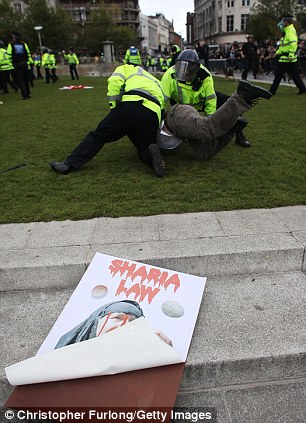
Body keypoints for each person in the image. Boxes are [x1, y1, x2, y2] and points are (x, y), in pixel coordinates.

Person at [49, 63, 166, 177]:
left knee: (98, 136)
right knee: (144, 147)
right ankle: (152, 156)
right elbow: (162, 106)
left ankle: (68, 164)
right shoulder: (156, 81)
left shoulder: (126, 68)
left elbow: (114, 82)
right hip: (152, 114)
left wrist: (114, 109)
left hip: (131, 106)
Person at [157, 80, 272, 162]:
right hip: (181, 129)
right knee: (203, 154)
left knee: (207, 128)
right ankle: (230, 129)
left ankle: (242, 96)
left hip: (174, 119)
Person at [161, 49, 251, 148]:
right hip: (179, 105)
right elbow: (161, 98)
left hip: (200, 103)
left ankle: (238, 133)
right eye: (181, 67)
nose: (184, 72)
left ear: (195, 68)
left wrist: (210, 125)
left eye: (188, 68)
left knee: (229, 104)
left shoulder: (205, 76)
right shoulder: (170, 74)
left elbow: (210, 101)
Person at [55, 299, 172, 348]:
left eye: (133, 323)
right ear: (96, 321)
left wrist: (164, 358)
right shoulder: (60, 355)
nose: (124, 325)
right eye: (117, 317)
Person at [269, 13, 306, 95]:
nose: (281, 22)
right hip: (286, 58)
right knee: (294, 75)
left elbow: (293, 44)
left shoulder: (290, 31)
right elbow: (283, 46)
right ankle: (302, 89)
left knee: (278, 76)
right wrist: (277, 53)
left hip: (287, 58)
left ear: (287, 22)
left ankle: (272, 91)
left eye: (283, 20)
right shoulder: (286, 31)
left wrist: (290, 55)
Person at [6, 31, 32, 100]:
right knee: (26, 79)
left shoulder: (11, 44)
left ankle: (24, 95)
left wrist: (11, 64)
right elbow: (28, 53)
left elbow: (9, 55)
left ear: (14, 37)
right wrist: (27, 62)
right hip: (24, 63)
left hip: (16, 64)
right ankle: (28, 93)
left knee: (21, 80)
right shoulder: (24, 44)